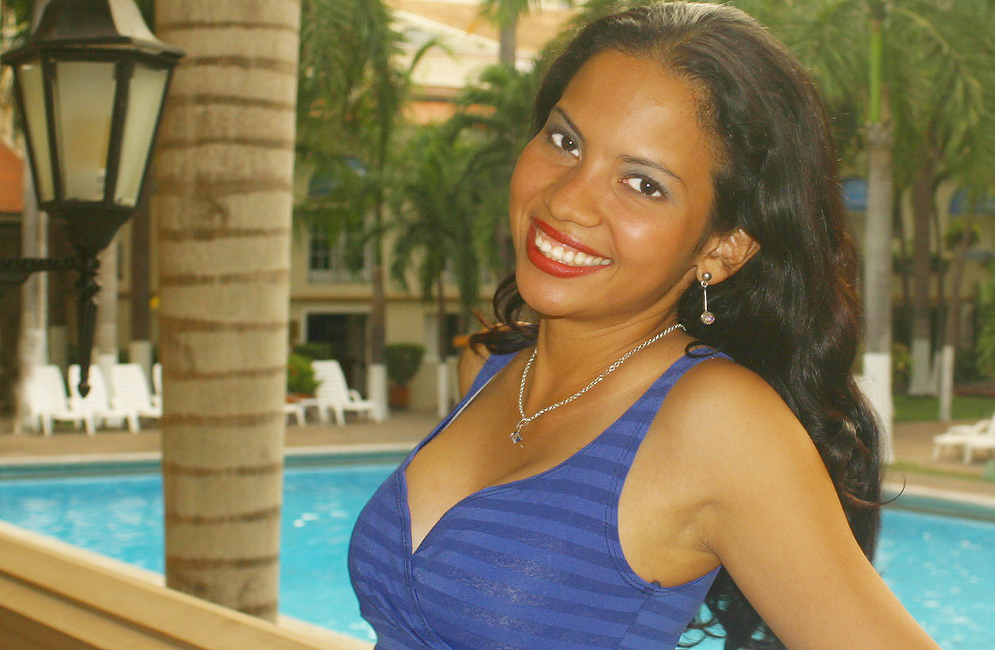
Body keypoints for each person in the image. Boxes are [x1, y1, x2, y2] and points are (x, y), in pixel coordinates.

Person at [349, 3, 943, 648]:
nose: (567, 199)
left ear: (723, 247)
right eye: (565, 141)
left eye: (643, 183)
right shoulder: (490, 367)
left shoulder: (716, 423)